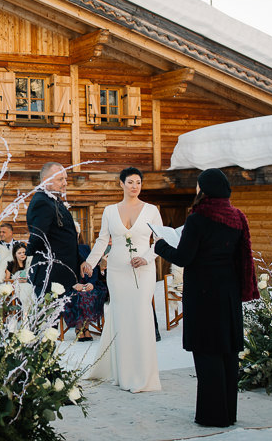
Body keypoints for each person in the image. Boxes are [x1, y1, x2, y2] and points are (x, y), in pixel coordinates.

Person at [154, 168, 258, 427]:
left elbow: (184, 258)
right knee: (227, 354)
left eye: (198, 186)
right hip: (229, 292)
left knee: (207, 354)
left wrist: (161, 245)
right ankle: (228, 413)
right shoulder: (237, 216)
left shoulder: (199, 217)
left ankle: (212, 416)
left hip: (203, 294)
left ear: (205, 189)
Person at [83, 167, 163, 392]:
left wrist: (146, 258)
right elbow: (102, 240)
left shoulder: (151, 210)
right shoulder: (109, 211)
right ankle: (121, 371)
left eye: (138, 182)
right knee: (119, 315)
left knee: (140, 314)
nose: (134, 186)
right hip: (117, 270)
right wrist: (90, 262)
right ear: (121, 184)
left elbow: (159, 241)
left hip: (143, 271)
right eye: (130, 182)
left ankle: (143, 374)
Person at [26, 162, 81, 294]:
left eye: (65, 178)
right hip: (49, 276)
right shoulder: (42, 202)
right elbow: (38, 238)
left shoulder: (53, 201)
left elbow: (62, 239)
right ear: (46, 181)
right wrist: (28, 252)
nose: (65, 183)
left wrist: (81, 260)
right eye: (60, 179)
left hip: (62, 275)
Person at [65, 242, 108, 341]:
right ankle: (79, 327)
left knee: (91, 294)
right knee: (79, 296)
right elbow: (62, 271)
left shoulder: (85, 248)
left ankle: (86, 327)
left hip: (87, 282)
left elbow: (92, 266)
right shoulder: (63, 249)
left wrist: (91, 283)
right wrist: (74, 284)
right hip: (70, 285)